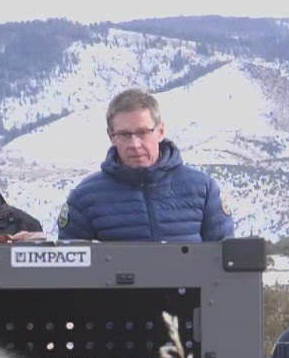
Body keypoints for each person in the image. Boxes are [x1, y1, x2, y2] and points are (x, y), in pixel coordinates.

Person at [58, 89, 234, 243]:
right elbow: (72, 270)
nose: (135, 144)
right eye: (124, 135)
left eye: (143, 132)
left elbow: (225, 260)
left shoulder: (203, 190)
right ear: (111, 136)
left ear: (160, 131)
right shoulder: (86, 197)